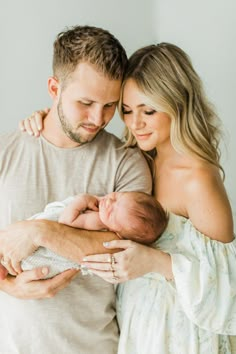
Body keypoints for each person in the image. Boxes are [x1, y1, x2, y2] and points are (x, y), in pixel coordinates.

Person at [15, 43, 236, 353]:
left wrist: (157, 262)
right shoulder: (138, 161)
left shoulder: (198, 179)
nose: (135, 124)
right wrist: (44, 117)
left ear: (177, 104)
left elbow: (229, 289)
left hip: (181, 334)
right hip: (136, 321)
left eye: (148, 110)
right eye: (128, 111)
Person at [0, 25, 153, 354]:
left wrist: (40, 232)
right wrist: (6, 285)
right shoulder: (5, 153)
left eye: (111, 105)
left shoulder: (125, 163)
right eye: (86, 102)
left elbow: (123, 253)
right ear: (54, 88)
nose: (98, 118)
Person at [10, 191, 166, 279]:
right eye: (117, 197)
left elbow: (66, 220)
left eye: (111, 212)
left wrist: (82, 200)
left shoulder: (98, 220)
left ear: (119, 233)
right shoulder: (113, 221)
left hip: (42, 253)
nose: (109, 201)